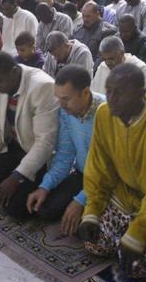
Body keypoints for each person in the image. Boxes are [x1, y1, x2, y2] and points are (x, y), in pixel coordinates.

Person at [78, 63, 146, 278]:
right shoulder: (104, 113)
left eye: (119, 92)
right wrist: (91, 210)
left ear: (141, 93)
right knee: (94, 244)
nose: (111, 98)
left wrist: (138, 234)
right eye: (108, 91)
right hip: (120, 196)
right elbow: (99, 166)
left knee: (137, 269)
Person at [0, 51, 59, 218]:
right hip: (15, 147)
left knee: (15, 209)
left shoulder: (43, 87)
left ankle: (46, 187)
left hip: (39, 155)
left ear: (14, 72)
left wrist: (17, 177)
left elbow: (45, 143)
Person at [26, 65, 103, 235]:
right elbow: (64, 155)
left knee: (86, 232)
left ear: (85, 93)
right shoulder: (66, 112)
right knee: (44, 210)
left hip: (105, 181)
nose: (60, 104)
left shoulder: (106, 113)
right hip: (83, 174)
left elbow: (108, 170)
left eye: (66, 99)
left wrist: (80, 200)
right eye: (58, 98)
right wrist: (45, 187)